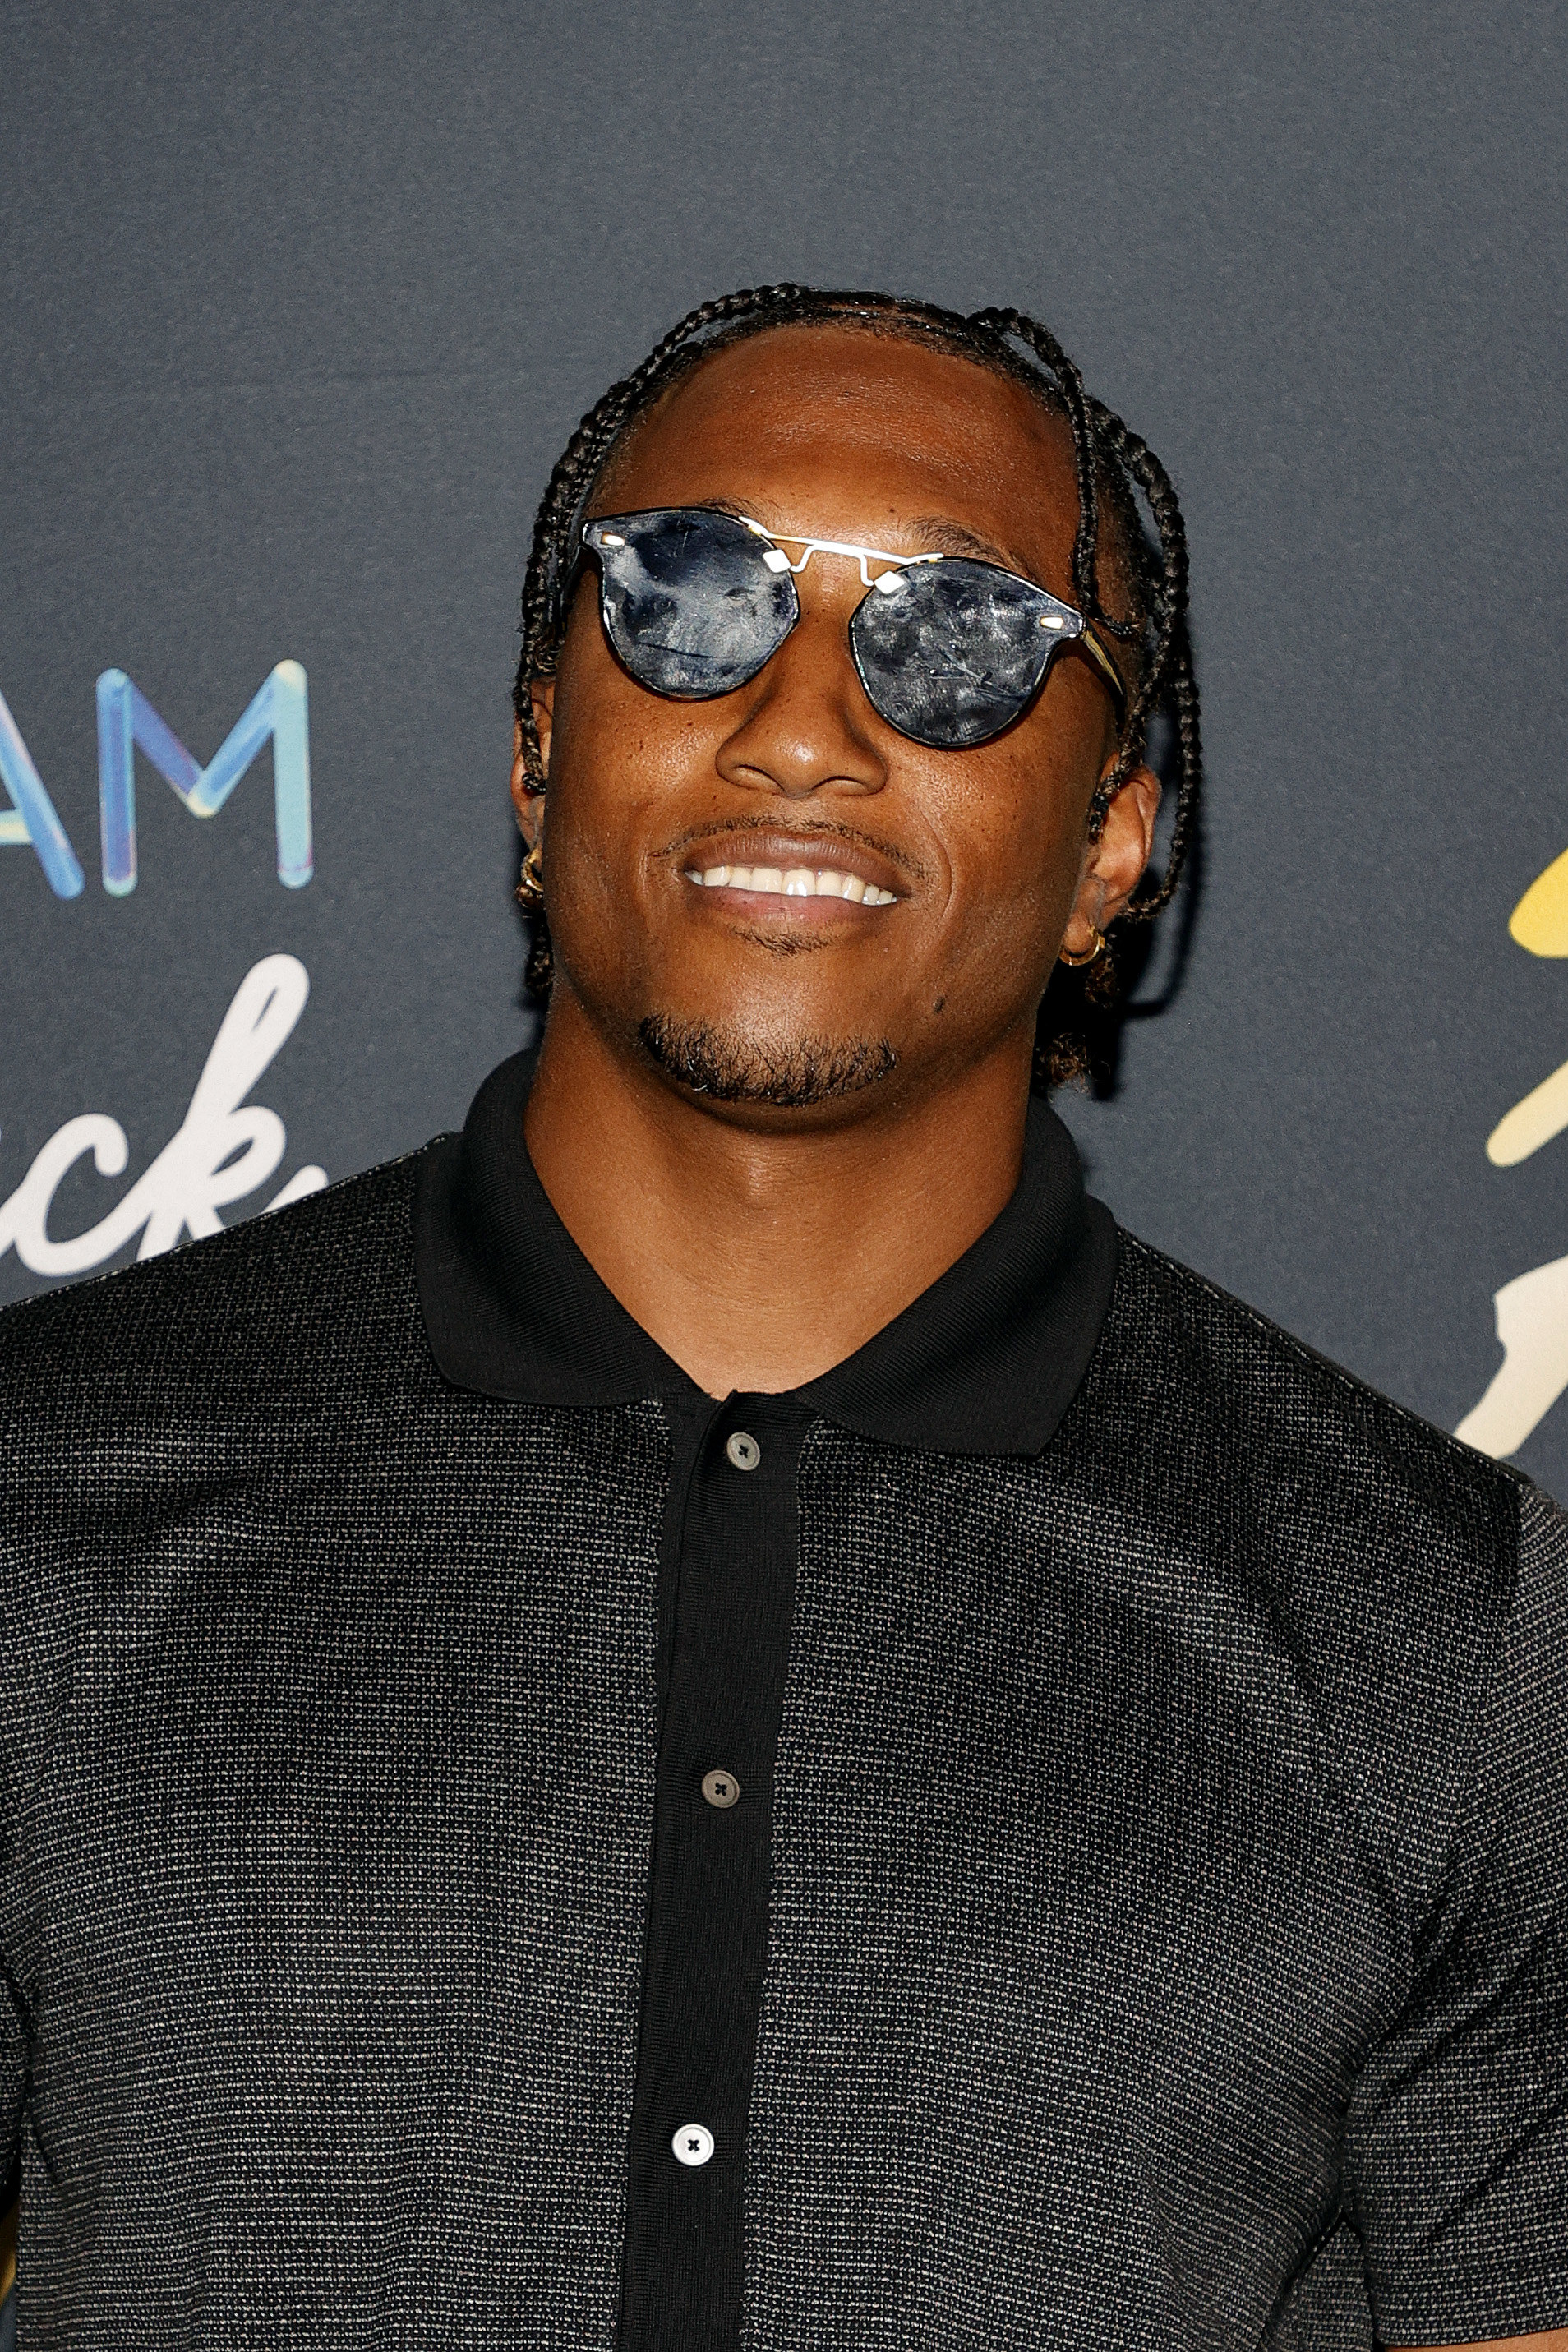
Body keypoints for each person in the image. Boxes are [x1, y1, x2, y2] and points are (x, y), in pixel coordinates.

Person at [0, 284, 1562, 2351]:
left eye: (963, 639)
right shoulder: (36, 1502)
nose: (805, 724)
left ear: (1114, 846)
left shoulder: (1452, 1643)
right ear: (541, 753)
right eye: (689, 594)